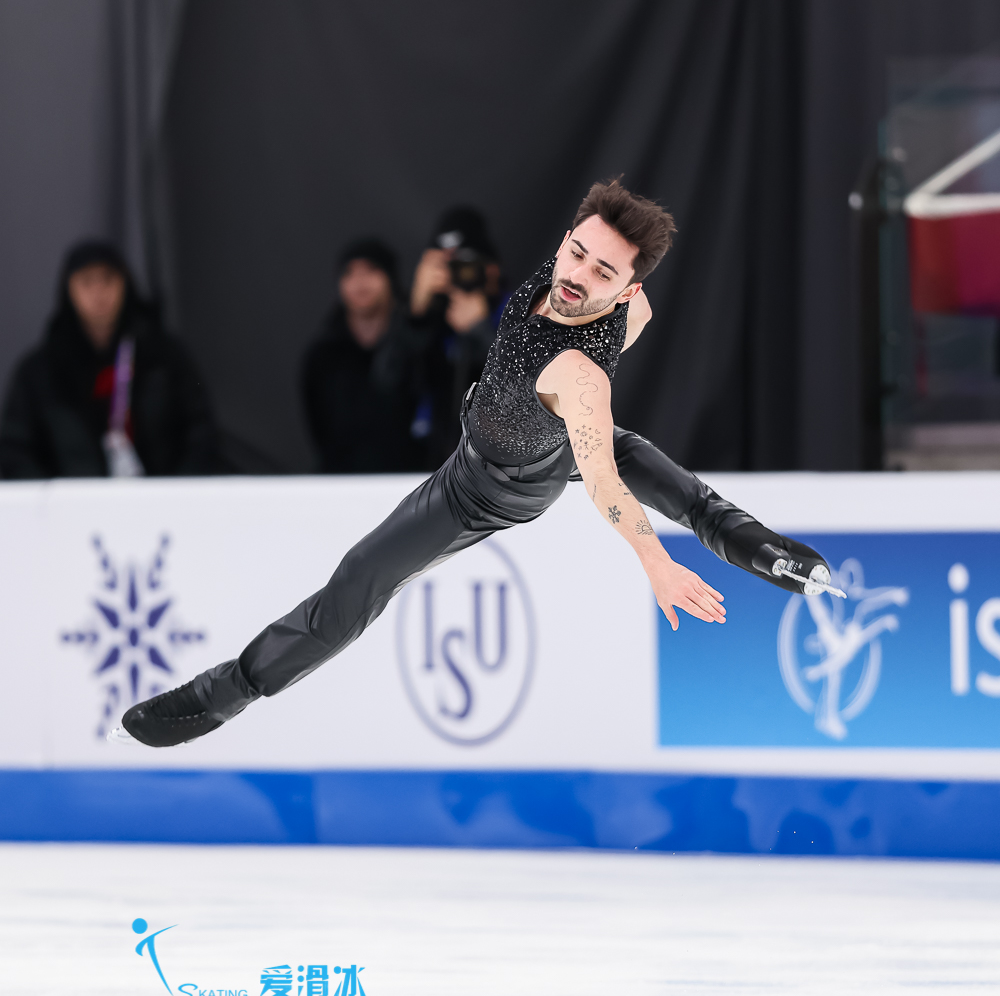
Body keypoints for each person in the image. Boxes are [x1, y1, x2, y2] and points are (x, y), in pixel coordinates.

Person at [115, 178, 837, 748]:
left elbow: (604, 482)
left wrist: (654, 561)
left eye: (603, 271)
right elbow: (614, 325)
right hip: (544, 434)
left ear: (628, 289)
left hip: (490, 487)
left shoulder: (583, 377)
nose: (578, 274)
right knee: (661, 479)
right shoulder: (577, 287)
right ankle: (774, 554)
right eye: (577, 253)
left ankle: (219, 696)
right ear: (566, 241)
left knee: (358, 582)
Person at [0, 240, 216, 479]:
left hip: (159, 495)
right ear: (68, 289)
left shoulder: (164, 356)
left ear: (125, 283)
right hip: (74, 498)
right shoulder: (40, 370)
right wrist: (54, 496)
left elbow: (201, 432)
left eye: (108, 279)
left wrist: (180, 489)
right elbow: (15, 449)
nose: (99, 292)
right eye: (87, 282)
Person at [301, 238, 422, 474]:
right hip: (340, 483)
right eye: (349, 273)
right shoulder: (323, 356)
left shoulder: (419, 346)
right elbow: (318, 427)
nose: (360, 282)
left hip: (413, 482)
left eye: (371, 270)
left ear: (390, 278)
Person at [408, 207, 507, 467]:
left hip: (494, 468)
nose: (461, 273)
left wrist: (481, 331)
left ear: (492, 268)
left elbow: (527, 390)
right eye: (449, 265)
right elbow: (389, 387)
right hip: (427, 468)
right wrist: (417, 314)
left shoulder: (517, 312)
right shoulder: (431, 320)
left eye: (468, 262)